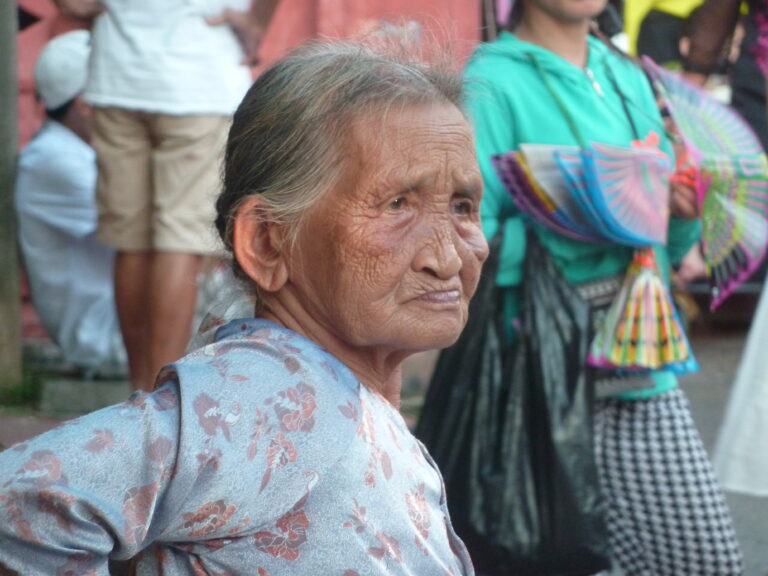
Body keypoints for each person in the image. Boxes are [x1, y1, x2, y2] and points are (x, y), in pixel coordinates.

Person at [0, 41, 487, 575]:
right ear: (267, 244)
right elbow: (20, 503)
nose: (448, 256)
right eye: (397, 205)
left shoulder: (332, 394)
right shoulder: (272, 398)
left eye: (462, 206)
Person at [463, 0, 744, 573]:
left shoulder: (626, 75)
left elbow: (663, 235)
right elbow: (469, 238)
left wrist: (684, 208)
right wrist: (585, 217)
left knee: (707, 561)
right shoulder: (488, 81)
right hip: (541, 375)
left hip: (643, 364)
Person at [52, 0, 281, 392]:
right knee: (178, 240)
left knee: (133, 243)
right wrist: (256, 22)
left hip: (118, 75)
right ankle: (159, 401)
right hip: (198, 75)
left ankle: (139, 391)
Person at [15, 29, 125, 375]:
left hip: (121, 323)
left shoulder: (70, 150)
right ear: (84, 103)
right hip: (103, 336)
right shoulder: (52, 160)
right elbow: (151, 229)